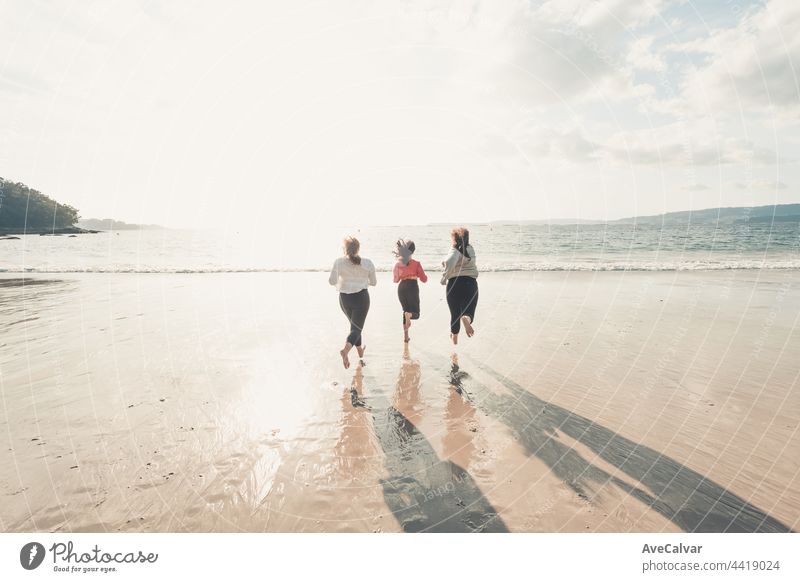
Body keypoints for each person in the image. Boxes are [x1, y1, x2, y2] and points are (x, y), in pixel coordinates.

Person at [329, 236, 377, 369]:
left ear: (344, 249)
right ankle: (345, 351)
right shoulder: (368, 263)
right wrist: (360, 282)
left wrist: (345, 282)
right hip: (361, 298)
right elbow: (373, 282)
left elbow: (332, 281)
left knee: (355, 327)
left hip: (344, 299)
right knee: (356, 328)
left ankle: (360, 352)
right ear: (358, 249)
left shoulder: (338, 262)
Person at [441, 227, 478, 345]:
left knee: (455, 314)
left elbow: (450, 261)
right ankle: (466, 319)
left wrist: (444, 277)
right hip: (470, 284)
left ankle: (455, 343)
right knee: (469, 311)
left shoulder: (454, 249)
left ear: (454, 239)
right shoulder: (471, 249)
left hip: (454, 285)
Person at [392, 239, 428, 342]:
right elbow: (424, 280)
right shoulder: (416, 264)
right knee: (415, 314)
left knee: (405, 311)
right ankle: (409, 316)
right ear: (413, 251)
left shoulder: (397, 264)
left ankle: (406, 337)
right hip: (412, 287)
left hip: (401, 288)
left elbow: (395, 280)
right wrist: (421, 276)